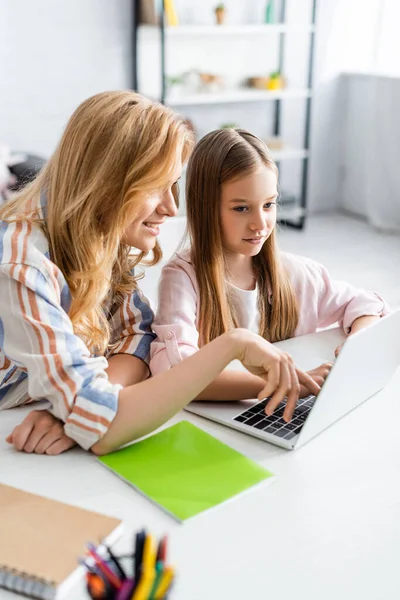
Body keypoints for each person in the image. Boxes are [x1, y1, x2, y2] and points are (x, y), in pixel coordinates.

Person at [0, 94, 320, 456]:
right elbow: (105, 433)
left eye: (174, 186)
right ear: (107, 182)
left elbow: (137, 335)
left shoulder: (101, 230)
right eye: (157, 187)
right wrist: (233, 344)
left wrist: (83, 406)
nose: (171, 208)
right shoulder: (22, 265)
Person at [150, 128, 388, 421]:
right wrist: (282, 385)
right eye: (241, 208)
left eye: (268, 205)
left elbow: (365, 304)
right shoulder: (183, 279)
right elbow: (174, 373)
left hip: (282, 413)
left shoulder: (295, 272)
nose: (260, 224)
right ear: (205, 208)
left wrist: (354, 347)